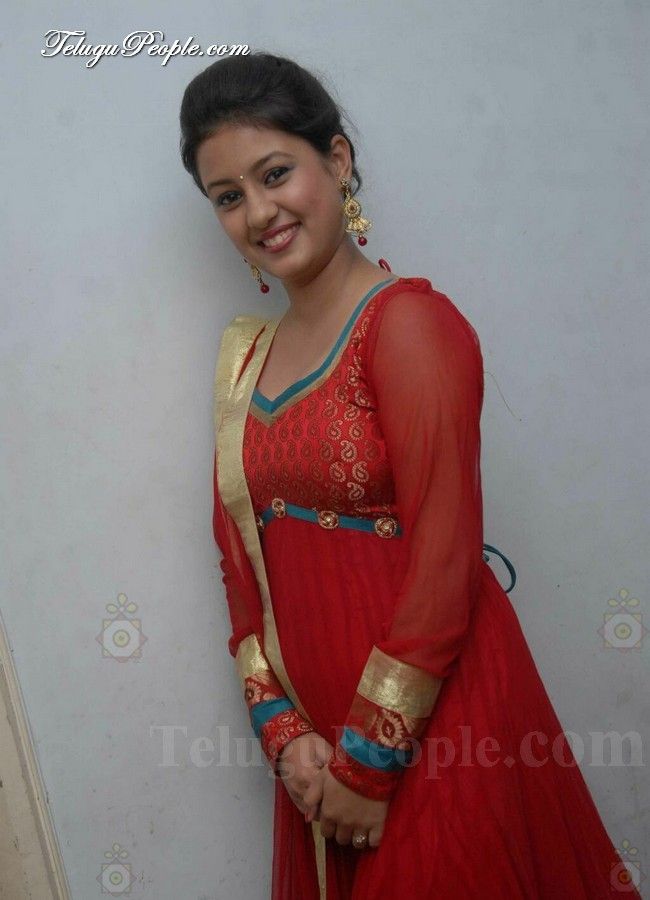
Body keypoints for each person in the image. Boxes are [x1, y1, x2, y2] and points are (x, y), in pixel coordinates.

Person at [179, 51, 641, 900]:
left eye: (275, 173)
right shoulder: (245, 363)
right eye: (228, 196)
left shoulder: (408, 327)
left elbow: (446, 561)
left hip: (437, 735)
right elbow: (238, 567)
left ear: (337, 160)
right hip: (319, 756)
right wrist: (284, 735)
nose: (259, 212)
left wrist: (370, 760)